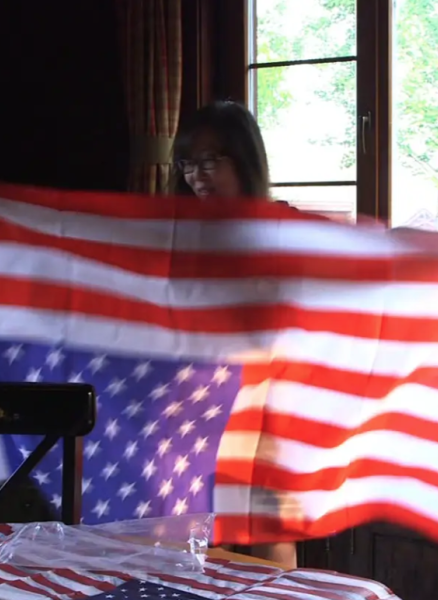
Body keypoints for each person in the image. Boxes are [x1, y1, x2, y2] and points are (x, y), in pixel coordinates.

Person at [169, 100, 298, 569]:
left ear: (243, 159)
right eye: (187, 163)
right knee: (189, 532)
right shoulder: (173, 233)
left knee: (270, 523)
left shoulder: (282, 227)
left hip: (266, 398)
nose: (196, 175)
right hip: (189, 399)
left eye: (209, 161)